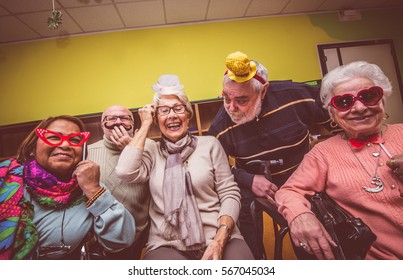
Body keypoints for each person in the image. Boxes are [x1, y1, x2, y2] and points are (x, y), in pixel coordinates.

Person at [208, 51, 340, 259]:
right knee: (243, 214)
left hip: (303, 179)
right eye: (226, 96)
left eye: (242, 100)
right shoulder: (220, 127)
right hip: (254, 182)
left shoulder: (297, 95)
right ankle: (254, 259)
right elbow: (218, 169)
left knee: (310, 240)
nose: (231, 108)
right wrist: (248, 179)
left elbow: (337, 123)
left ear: (263, 92)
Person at [115, 74, 254, 260]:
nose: (172, 115)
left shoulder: (210, 144)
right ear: (157, 120)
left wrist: (221, 237)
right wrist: (145, 123)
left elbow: (229, 192)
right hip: (167, 243)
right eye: (164, 111)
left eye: (178, 108)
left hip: (220, 235)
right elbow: (125, 171)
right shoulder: (150, 149)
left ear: (188, 115)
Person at [275, 61, 403, 259]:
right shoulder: (323, 153)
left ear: (382, 100)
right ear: (332, 113)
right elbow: (289, 191)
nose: (359, 107)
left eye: (369, 96)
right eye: (344, 102)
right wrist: (300, 215)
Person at [0, 115, 135, 260]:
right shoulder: (6, 178)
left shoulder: (89, 187)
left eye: (75, 140)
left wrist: (94, 190)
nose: (65, 145)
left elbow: (121, 240)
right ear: (33, 147)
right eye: (53, 137)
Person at [87, 105, 150, 259]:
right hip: (102, 235)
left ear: (133, 125)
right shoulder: (87, 152)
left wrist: (132, 150)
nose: (118, 122)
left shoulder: (151, 148)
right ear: (102, 125)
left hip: (143, 234)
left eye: (124, 118)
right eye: (111, 118)